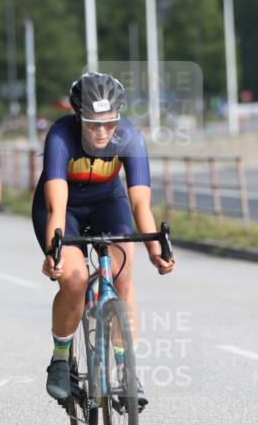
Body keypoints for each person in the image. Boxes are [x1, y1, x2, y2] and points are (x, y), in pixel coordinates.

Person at [32, 72, 175, 402]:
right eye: (92, 123)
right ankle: (59, 359)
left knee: (123, 277)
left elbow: (139, 201)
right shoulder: (61, 136)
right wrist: (55, 252)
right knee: (75, 279)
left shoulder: (130, 139)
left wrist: (156, 250)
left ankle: (128, 372)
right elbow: (56, 206)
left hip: (108, 204)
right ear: (77, 117)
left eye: (109, 123)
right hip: (63, 208)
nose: (101, 132)